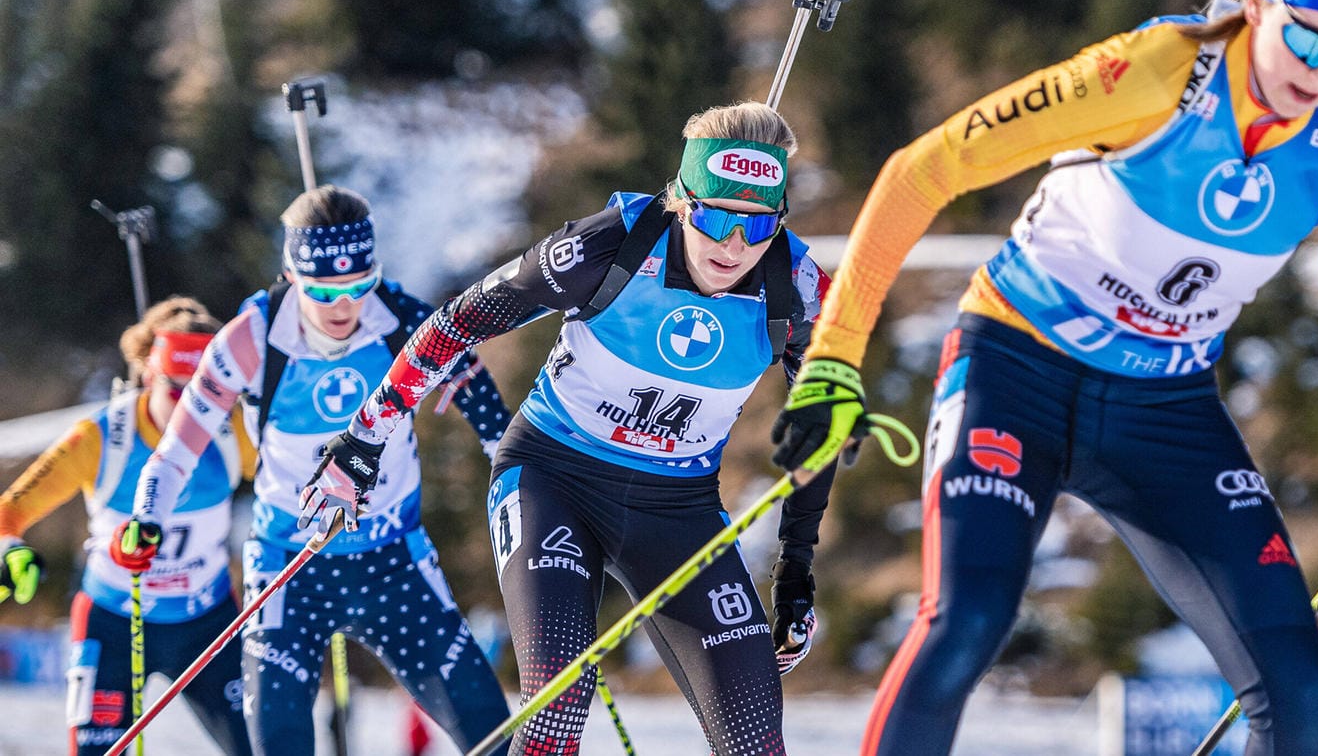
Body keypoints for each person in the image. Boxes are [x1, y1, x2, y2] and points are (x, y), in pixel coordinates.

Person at [767, 0, 1318, 756]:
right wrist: (833, 359)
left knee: (1297, 685)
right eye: (1306, 40)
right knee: (965, 621)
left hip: (1163, 407)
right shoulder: (1153, 74)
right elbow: (923, 168)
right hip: (1016, 366)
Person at [306, 101, 834, 755]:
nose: (732, 246)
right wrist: (364, 438)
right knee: (557, 705)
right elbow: (456, 323)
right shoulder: (603, 246)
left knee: (756, 739)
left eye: (756, 228)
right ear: (680, 202)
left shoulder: (802, 290)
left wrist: (796, 573)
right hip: (553, 477)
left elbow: (822, 434)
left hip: (678, 510)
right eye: (715, 218)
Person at [123, 186, 514, 755]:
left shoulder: (406, 322)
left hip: (393, 562)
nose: (343, 307)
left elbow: (492, 423)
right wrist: (147, 518)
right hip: (289, 567)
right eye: (323, 291)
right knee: (279, 742)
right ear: (291, 275)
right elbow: (177, 451)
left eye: (359, 286)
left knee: (492, 733)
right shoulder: (249, 340)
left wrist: (527, 478)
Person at [0, 297, 253, 755]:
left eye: (208, 393)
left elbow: (299, 482)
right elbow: (9, 511)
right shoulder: (102, 437)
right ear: (149, 374)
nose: (190, 411)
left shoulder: (234, 430)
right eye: (177, 389)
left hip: (206, 626)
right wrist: (10, 548)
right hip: (114, 622)